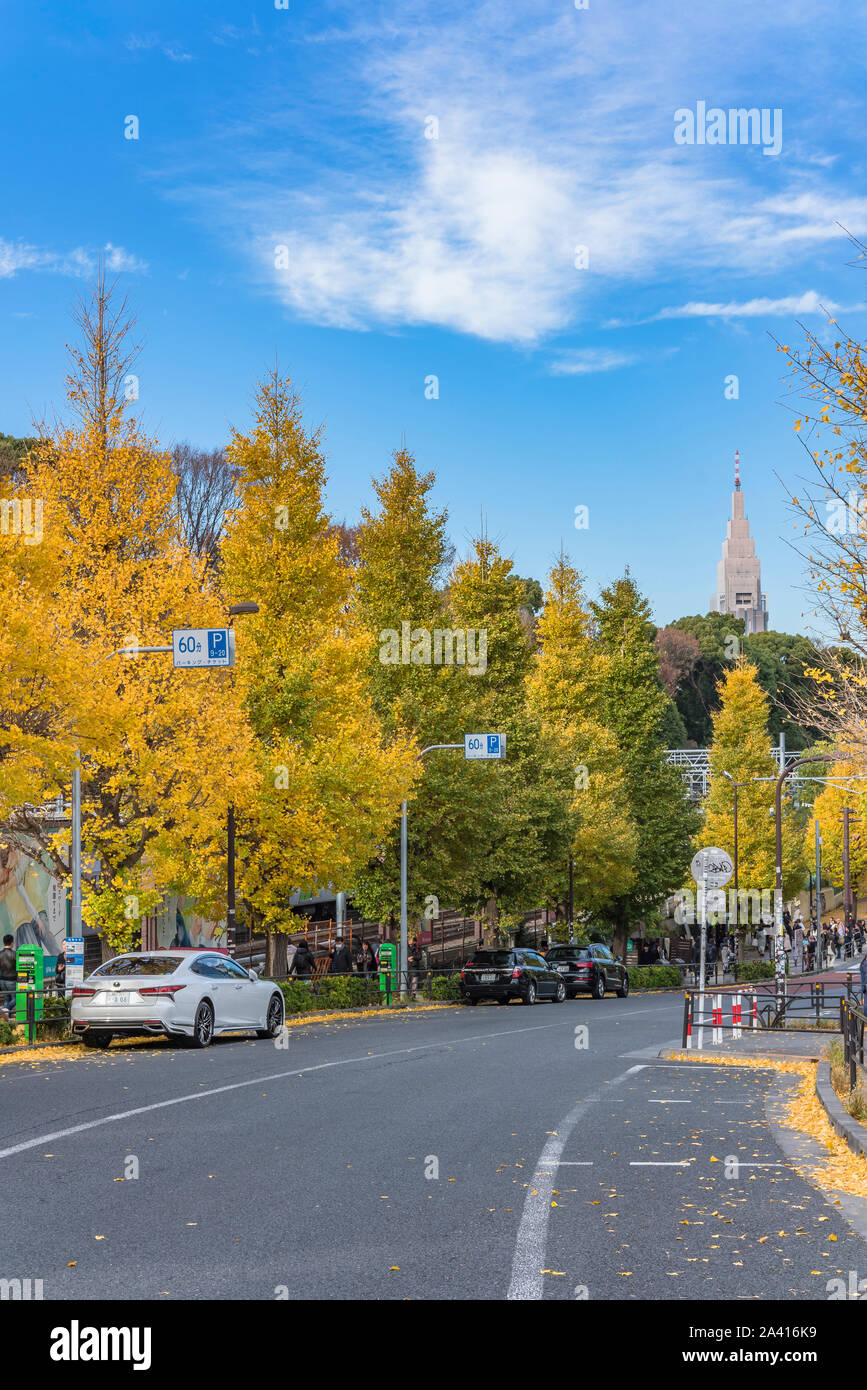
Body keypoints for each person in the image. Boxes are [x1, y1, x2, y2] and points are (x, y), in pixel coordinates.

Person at [0, 934, 16, 1020]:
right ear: (12, 942)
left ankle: (7, 1018)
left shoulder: (0, 954)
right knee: (15, 998)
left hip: (2, 980)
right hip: (11, 980)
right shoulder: (14, 954)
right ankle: (5, 1010)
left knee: (6, 998)